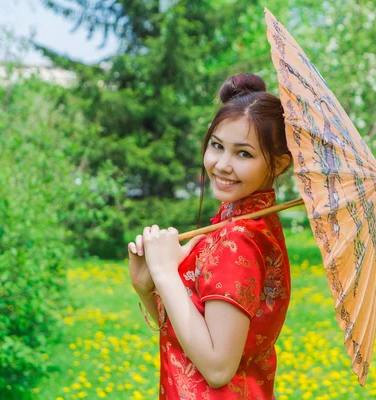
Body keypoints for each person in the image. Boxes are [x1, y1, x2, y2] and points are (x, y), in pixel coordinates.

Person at [128, 72, 293, 399]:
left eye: (243, 154)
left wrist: (164, 272)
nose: (222, 165)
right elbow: (190, 331)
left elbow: (218, 368)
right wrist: (148, 286)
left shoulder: (238, 240)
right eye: (217, 146)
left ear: (278, 164)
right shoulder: (239, 225)